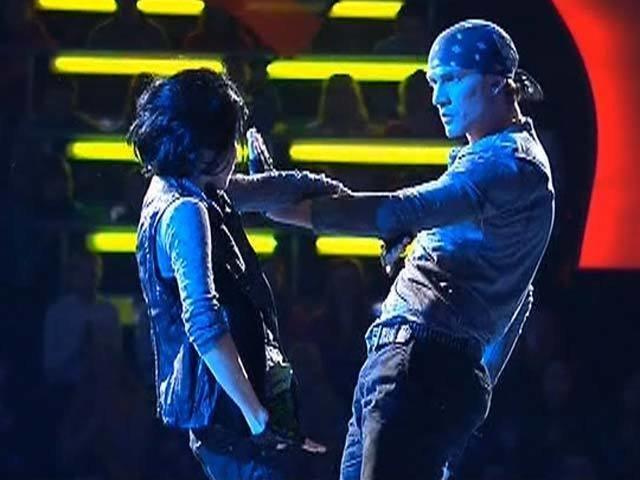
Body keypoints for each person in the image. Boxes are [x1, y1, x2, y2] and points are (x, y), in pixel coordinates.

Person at [268, 19, 555, 480]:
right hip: (417, 365)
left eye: (451, 79)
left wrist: (274, 205)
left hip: (419, 363)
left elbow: (397, 211)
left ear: (496, 81)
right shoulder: (502, 163)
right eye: (433, 83)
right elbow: (518, 299)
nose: (438, 97)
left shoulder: (506, 164)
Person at [131, 68, 345, 480]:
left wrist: (340, 194)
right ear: (205, 147)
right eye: (230, 139)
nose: (235, 149)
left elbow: (272, 189)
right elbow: (203, 322)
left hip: (233, 414)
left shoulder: (188, 187)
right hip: (229, 417)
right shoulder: (184, 211)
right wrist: (257, 416)